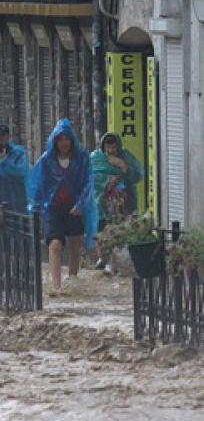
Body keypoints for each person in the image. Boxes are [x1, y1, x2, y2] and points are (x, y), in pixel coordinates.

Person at [29, 118, 98, 296]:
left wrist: (81, 203)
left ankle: (72, 280)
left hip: (74, 206)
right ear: (55, 142)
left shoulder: (81, 158)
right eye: (60, 140)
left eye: (66, 139)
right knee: (55, 244)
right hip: (53, 207)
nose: (64, 143)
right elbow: (38, 183)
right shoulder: (46, 160)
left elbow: (87, 182)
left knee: (75, 244)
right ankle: (57, 286)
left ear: (71, 140)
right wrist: (36, 206)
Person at [91, 131, 144, 274]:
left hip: (124, 202)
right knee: (102, 229)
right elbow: (90, 178)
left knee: (121, 229)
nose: (110, 151)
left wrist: (123, 167)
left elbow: (137, 175)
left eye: (113, 147)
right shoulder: (96, 158)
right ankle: (104, 259)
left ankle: (121, 263)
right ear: (103, 147)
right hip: (102, 202)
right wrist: (107, 182)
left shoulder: (126, 156)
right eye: (108, 148)